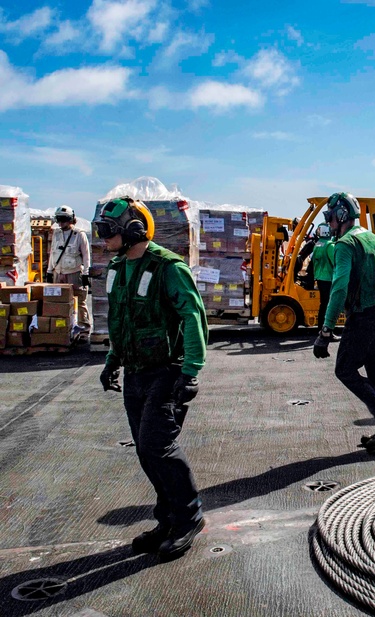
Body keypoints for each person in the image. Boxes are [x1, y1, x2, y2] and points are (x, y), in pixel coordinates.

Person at [93, 197, 209, 559]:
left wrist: (190, 372)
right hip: (135, 372)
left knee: (158, 446)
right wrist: (112, 361)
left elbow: (193, 317)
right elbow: (122, 320)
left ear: (133, 229)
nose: (102, 237)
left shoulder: (168, 268)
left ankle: (189, 518)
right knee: (146, 452)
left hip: (167, 371)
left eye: (108, 230)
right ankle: (168, 520)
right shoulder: (118, 268)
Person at [312, 193, 375, 455]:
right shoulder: (373, 240)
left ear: (341, 215)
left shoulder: (345, 244)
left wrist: (326, 331)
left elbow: (339, 288)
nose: (329, 222)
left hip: (363, 316)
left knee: (344, 369)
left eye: (330, 216)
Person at [45, 205, 92, 342]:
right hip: (58, 273)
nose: (61, 223)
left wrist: (86, 273)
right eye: (59, 220)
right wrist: (49, 271)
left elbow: (86, 255)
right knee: (59, 302)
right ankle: (62, 330)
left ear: (71, 219)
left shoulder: (79, 235)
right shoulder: (56, 234)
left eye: (63, 220)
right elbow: (53, 253)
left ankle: (83, 330)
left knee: (80, 302)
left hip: (74, 273)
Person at [311, 222, 337, 333]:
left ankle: (320, 327)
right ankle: (327, 329)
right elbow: (336, 262)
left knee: (324, 304)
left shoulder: (318, 244)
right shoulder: (329, 245)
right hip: (328, 278)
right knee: (329, 305)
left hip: (320, 277)